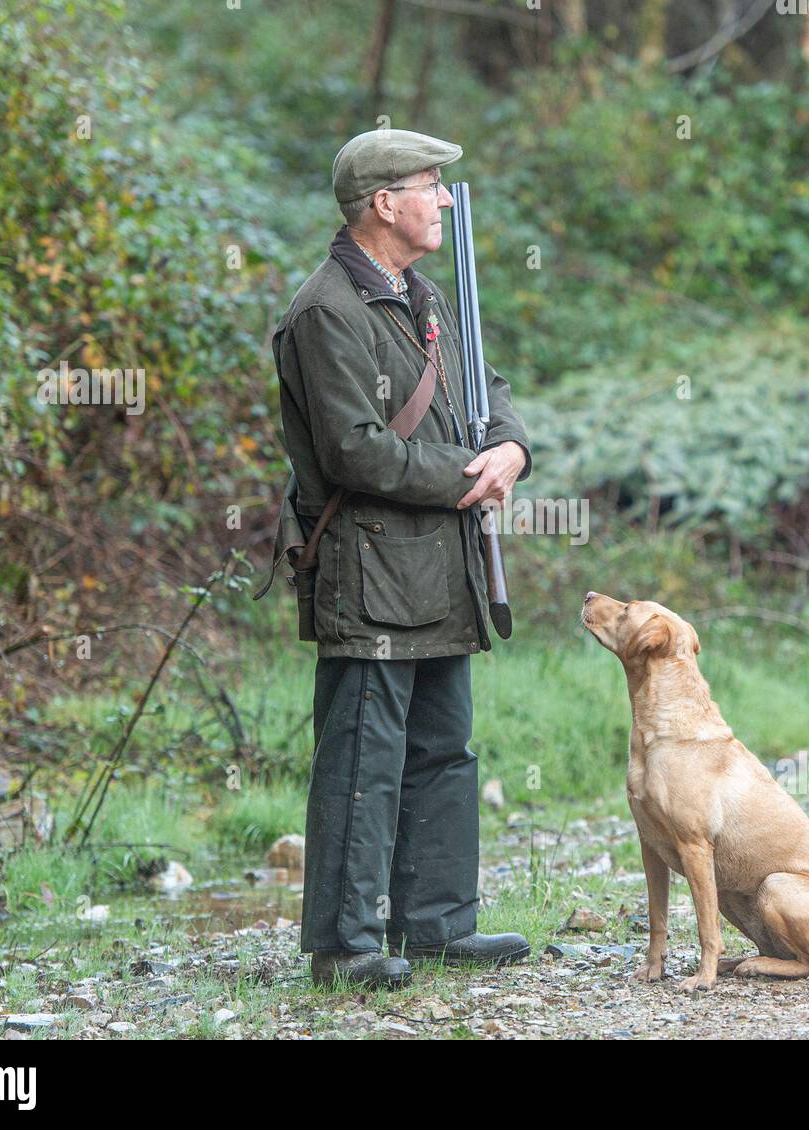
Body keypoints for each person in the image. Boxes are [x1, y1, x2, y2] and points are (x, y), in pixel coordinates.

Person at [269, 129, 533, 988]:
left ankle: (437, 927)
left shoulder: (422, 297)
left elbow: (483, 393)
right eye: (432, 186)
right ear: (385, 204)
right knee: (362, 759)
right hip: (371, 570)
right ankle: (343, 947)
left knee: (443, 750)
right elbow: (356, 454)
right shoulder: (325, 312)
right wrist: (469, 474)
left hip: (440, 564)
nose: (446, 200)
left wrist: (511, 452)